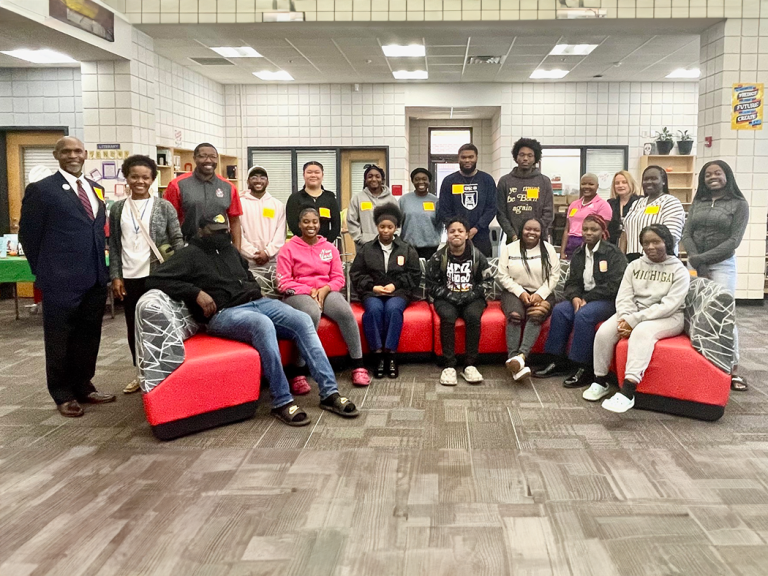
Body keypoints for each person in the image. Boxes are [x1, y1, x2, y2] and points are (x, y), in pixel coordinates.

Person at [146, 213, 359, 426]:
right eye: (215, 232)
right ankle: (282, 400)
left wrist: (256, 292)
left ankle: (329, 393)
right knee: (262, 324)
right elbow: (155, 279)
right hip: (225, 313)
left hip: (258, 303)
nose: (221, 236)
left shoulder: (229, 249)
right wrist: (195, 292)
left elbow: (246, 274)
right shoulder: (189, 254)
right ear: (201, 231)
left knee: (303, 320)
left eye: (224, 231)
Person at [19, 136, 116, 418]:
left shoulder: (95, 189)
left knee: (89, 336)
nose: (73, 155)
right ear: (56, 155)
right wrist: (45, 271)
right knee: (60, 338)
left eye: (77, 151)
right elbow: (29, 235)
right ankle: (62, 394)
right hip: (60, 279)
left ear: (85, 154)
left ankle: (84, 386)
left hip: (95, 276)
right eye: (66, 151)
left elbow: (95, 229)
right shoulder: (42, 190)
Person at [583, 224, 690, 413]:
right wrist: (625, 318)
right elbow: (624, 296)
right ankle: (600, 380)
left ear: (667, 242)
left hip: (667, 317)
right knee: (604, 332)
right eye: (646, 243)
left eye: (656, 241)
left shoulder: (679, 269)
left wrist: (634, 321)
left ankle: (628, 392)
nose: (650, 247)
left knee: (641, 333)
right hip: (634, 313)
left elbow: (669, 305)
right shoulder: (634, 265)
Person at [108, 155, 184, 394]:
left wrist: (179, 273)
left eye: (145, 177)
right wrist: (116, 276)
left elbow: (177, 240)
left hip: (158, 275)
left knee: (158, 324)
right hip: (129, 276)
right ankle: (139, 373)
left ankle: (161, 371)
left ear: (152, 179)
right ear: (127, 178)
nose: (139, 181)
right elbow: (115, 246)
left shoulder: (164, 206)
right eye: (134, 177)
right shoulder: (118, 208)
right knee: (133, 326)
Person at [277, 206, 371, 387]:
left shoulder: (329, 248)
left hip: (325, 291)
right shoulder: (288, 249)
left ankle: (358, 366)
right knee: (310, 314)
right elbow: (283, 283)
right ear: (299, 225)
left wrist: (325, 289)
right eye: (306, 221)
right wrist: (309, 291)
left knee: (345, 311)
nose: (310, 225)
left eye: (314, 221)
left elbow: (339, 278)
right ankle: (298, 372)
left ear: (319, 224)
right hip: (297, 293)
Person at [534, 215, 627, 388]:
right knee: (560, 310)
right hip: (583, 298)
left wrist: (587, 299)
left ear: (602, 231)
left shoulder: (613, 253)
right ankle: (557, 361)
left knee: (584, 315)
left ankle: (583, 368)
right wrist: (575, 297)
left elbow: (615, 285)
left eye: (594, 230)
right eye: (585, 229)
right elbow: (572, 282)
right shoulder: (578, 253)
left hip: (607, 300)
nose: (588, 233)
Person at [681, 160, 749, 391]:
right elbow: (687, 233)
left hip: (722, 265)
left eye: (717, 173)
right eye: (708, 174)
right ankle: (704, 364)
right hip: (695, 263)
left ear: (726, 176)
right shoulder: (698, 203)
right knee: (696, 313)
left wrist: (703, 259)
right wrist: (695, 259)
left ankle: (733, 369)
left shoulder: (738, 204)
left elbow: (734, 241)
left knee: (723, 314)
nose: (713, 177)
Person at [350, 204, 422, 378]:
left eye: (390, 227)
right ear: (377, 227)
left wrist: (395, 285)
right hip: (372, 292)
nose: (386, 231)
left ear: (396, 228)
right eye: (382, 227)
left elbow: (414, 274)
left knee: (392, 310)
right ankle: (378, 355)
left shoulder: (406, 248)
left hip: (398, 293)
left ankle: (390, 355)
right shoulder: (366, 248)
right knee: (373, 311)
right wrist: (372, 287)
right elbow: (356, 273)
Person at [426, 216, 493, 386]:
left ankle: (470, 365)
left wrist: (471, 294)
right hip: (446, 298)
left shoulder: (478, 256)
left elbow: (488, 282)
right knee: (447, 317)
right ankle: (449, 366)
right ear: (447, 235)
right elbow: (430, 285)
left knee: (472, 316)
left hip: (472, 298)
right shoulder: (438, 257)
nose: (456, 234)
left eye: (460, 231)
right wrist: (448, 295)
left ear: (467, 235)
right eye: (452, 231)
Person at [497, 217, 561, 384]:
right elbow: (502, 275)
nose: (531, 233)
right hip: (514, 291)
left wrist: (540, 294)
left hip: (542, 292)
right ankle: (514, 360)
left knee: (536, 314)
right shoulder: (510, 249)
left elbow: (554, 276)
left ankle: (521, 357)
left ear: (541, 233)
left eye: (536, 230)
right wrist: (520, 292)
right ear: (521, 230)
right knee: (515, 315)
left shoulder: (549, 250)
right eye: (528, 229)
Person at [163, 142, 242, 249]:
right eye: (203, 156)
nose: (208, 160)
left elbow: (235, 221)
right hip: (188, 247)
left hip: (221, 248)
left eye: (213, 157)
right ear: (194, 158)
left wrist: (237, 251)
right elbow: (168, 220)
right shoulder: (177, 185)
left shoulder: (229, 187)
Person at [437, 144, 497, 257]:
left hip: (481, 235)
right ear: (458, 159)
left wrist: (476, 228)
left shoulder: (487, 180)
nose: (467, 160)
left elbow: (492, 208)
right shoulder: (449, 181)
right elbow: (444, 209)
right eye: (463, 157)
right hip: (456, 236)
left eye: (471, 157)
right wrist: (458, 230)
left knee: (481, 270)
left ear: (476, 158)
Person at [621, 165, 685, 262]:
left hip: (660, 262)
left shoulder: (670, 202)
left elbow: (671, 238)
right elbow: (625, 232)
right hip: (632, 261)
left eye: (654, 178)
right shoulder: (636, 203)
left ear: (663, 181)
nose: (649, 182)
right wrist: (621, 259)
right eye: (646, 179)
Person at [496, 138, 554, 243]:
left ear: (535, 158)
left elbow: (548, 213)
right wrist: (513, 235)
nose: (525, 158)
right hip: (513, 240)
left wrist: (534, 232)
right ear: (516, 157)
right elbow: (501, 214)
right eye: (522, 155)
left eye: (530, 155)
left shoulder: (544, 181)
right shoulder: (505, 181)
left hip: (538, 239)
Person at [239, 165, 286, 267]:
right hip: (246, 261)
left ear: (268, 182)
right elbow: (237, 233)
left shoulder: (277, 205)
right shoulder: (239, 204)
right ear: (247, 181)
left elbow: (281, 234)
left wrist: (268, 253)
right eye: (254, 177)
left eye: (262, 178)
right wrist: (252, 253)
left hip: (272, 261)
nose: (258, 181)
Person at [286, 161, 341, 245]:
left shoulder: (330, 197)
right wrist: (307, 242)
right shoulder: (295, 198)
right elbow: (293, 224)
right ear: (303, 175)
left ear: (322, 175)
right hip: (301, 245)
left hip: (325, 245)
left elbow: (336, 226)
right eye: (309, 172)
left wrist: (325, 243)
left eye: (317, 172)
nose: (313, 175)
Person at [560, 173, 613, 259]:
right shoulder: (573, 204)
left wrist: (584, 249)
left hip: (589, 245)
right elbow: (567, 229)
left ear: (597, 186)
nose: (586, 186)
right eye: (583, 184)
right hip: (570, 245)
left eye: (591, 184)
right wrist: (562, 252)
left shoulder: (603, 205)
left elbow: (601, 232)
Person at [347, 164, 399, 250]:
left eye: (377, 176)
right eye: (370, 176)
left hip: (388, 245)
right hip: (365, 246)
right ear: (365, 180)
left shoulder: (391, 199)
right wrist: (360, 239)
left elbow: (398, 221)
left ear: (382, 180)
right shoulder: (358, 198)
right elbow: (351, 220)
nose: (374, 179)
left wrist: (393, 237)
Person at [399, 167, 442, 259]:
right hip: (408, 247)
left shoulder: (436, 201)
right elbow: (398, 223)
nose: (421, 182)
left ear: (429, 181)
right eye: (417, 179)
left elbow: (440, 223)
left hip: (431, 247)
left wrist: (437, 239)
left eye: (424, 179)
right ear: (412, 181)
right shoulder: (404, 200)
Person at [607, 170, 640, 245]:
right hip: (613, 245)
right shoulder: (610, 204)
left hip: (634, 244)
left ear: (630, 184)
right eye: (617, 183)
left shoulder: (640, 202)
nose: (620, 185)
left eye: (624, 182)